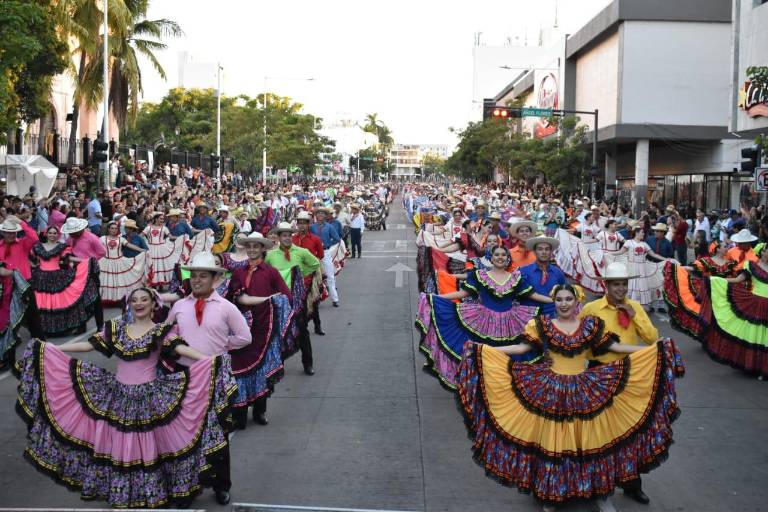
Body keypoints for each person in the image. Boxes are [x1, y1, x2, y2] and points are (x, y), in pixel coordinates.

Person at [456, 284, 684, 511]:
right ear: (554, 302)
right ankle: (550, 492)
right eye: (559, 299)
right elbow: (520, 348)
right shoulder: (541, 325)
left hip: (582, 386)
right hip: (551, 388)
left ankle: (585, 485)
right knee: (553, 439)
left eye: (568, 299)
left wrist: (650, 350)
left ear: (577, 302)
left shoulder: (590, 326)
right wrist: (485, 349)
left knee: (584, 438)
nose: (564, 303)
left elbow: (615, 346)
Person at [15, 287, 236, 508]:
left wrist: (212, 360)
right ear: (129, 305)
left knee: (151, 446)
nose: (139, 303)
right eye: (134, 300)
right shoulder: (118, 329)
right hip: (118, 396)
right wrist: (55, 348)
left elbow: (183, 350)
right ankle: (126, 493)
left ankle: (152, 492)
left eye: (144, 300)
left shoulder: (162, 331)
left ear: (153, 305)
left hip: (149, 398)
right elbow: (88, 344)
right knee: (123, 446)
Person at [165, 252, 251, 505]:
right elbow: (168, 334)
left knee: (217, 432)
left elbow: (244, 337)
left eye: (203, 275)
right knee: (184, 434)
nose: (197, 280)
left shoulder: (226, 307)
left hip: (214, 377)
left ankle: (221, 485)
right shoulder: (180, 306)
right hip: (183, 376)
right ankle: (188, 485)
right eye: (193, 275)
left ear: (215, 279)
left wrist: (221, 345)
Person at [578, 262, 662, 505]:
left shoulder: (635, 306)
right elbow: (582, 341)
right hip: (599, 372)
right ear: (606, 285)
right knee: (598, 430)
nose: (621, 289)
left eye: (624, 284)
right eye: (616, 284)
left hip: (630, 373)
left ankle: (631, 484)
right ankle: (594, 483)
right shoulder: (592, 308)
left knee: (629, 429)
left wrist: (635, 317)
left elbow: (652, 338)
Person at [416, 245, 552, 390]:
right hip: (483, 321)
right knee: (481, 352)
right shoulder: (480, 275)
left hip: (510, 323)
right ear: (491, 258)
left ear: (507, 259)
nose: (500, 257)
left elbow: (532, 296)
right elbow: (463, 293)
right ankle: (480, 386)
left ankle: (501, 387)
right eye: (497, 255)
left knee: (507, 355)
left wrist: (555, 301)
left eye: (503, 255)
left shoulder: (516, 278)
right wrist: (436, 297)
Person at [227, 232, 291, 428]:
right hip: (241, 328)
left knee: (261, 371)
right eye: (249, 246)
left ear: (263, 249)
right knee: (238, 369)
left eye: (256, 246)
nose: (252, 250)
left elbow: (285, 295)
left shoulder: (270, 272)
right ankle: (239, 412)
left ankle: (259, 411)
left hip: (264, 327)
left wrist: (274, 304)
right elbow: (231, 297)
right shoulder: (238, 272)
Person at [699, 243, 768, 377]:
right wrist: (715, 280)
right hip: (756, 305)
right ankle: (754, 366)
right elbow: (737, 279)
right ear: (762, 252)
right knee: (755, 335)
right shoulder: (751, 266)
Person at [264, 222, 321, 375]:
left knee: (302, 331)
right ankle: (278, 365)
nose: (287, 238)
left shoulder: (302, 252)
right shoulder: (270, 255)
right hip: (279, 300)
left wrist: (301, 275)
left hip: (297, 299)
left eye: (289, 235)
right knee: (278, 332)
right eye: (284, 235)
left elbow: (315, 264)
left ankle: (308, 364)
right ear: (278, 237)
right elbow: (264, 272)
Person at [30, 225, 100, 335]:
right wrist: (35, 267)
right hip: (40, 278)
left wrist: (86, 260)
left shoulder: (62, 247)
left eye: (54, 233)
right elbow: (31, 260)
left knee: (58, 303)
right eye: (50, 233)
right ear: (46, 234)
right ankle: (42, 329)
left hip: (57, 276)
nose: (52, 235)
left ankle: (56, 329)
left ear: (57, 235)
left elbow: (69, 258)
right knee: (40, 303)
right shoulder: (38, 246)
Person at [663, 240, 738, 338]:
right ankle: (709, 337)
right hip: (709, 293)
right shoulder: (707, 261)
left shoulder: (730, 263)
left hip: (723, 294)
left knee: (722, 317)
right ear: (718, 249)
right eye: (724, 246)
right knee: (709, 316)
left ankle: (718, 338)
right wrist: (676, 267)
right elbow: (692, 268)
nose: (727, 248)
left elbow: (735, 278)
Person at [611, 226, 676, 312]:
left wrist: (666, 259)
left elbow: (653, 254)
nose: (643, 234)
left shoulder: (644, 244)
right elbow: (620, 252)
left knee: (641, 285)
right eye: (642, 232)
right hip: (632, 267)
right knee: (631, 284)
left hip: (642, 268)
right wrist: (609, 253)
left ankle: (638, 305)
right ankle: (627, 303)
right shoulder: (629, 242)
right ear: (637, 233)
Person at [96, 220, 148, 305]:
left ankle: (120, 299)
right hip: (106, 262)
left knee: (120, 280)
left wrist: (142, 250)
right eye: (112, 228)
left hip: (119, 261)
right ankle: (108, 299)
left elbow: (130, 246)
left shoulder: (121, 239)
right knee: (107, 281)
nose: (114, 230)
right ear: (108, 229)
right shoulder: (102, 238)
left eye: (116, 228)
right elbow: (96, 248)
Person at [293, 211, 326, 335]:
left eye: (304, 223)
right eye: (299, 223)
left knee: (313, 302)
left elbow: (321, 255)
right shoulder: (292, 239)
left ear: (308, 224)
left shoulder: (315, 239)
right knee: (299, 303)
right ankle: (302, 327)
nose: (301, 226)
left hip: (311, 275)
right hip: (296, 275)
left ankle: (317, 326)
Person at [518, 235, 567, 318]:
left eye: (547, 249)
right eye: (540, 249)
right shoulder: (523, 271)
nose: (544, 252)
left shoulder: (558, 272)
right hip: (528, 318)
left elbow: (565, 293)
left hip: (552, 318)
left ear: (551, 252)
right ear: (534, 251)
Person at [310, 206, 341, 307]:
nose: (320, 215)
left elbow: (337, 239)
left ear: (326, 216)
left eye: (322, 213)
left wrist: (327, 243)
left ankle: (335, 299)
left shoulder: (329, 227)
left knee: (330, 276)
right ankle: (316, 299)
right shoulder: (312, 227)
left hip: (325, 252)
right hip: (314, 253)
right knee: (315, 276)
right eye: (318, 213)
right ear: (316, 215)